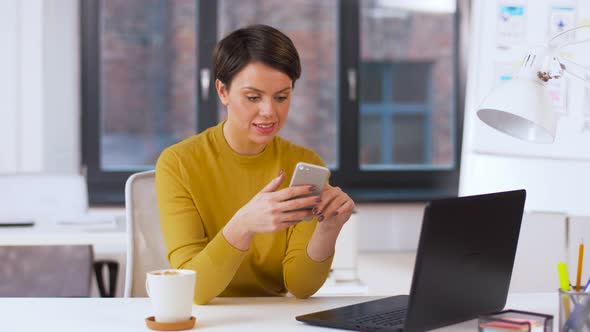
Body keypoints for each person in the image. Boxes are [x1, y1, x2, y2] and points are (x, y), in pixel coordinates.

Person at [155, 24, 355, 305]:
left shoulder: (305, 164)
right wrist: (244, 223)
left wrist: (328, 229)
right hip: (206, 319)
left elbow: (300, 286)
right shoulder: (178, 164)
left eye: (282, 97)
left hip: (274, 319)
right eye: (253, 97)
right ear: (223, 91)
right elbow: (194, 290)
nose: (269, 112)